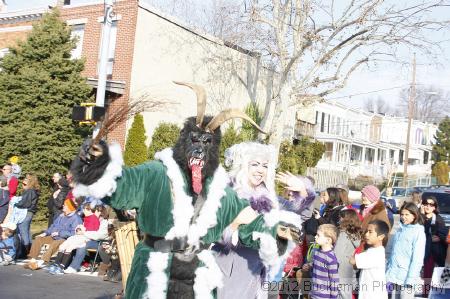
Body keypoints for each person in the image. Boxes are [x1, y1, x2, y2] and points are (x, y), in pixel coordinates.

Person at [70, 82, 298, 299]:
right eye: (195, 140)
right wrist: (97, 163)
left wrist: (279, 233)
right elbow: (120, 186)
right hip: (154, 273)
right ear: (184, 141)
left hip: (198, 278)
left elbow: (252, 223)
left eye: (207, 142)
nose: (200, 148)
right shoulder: (157, 174)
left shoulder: (221, 194)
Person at [213, 142, 315, 299]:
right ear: (242, 164)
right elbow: (211, 232)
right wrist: (235, 224)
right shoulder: (227, 193)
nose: (260, 170)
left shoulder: (270, 199)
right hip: (231, 270)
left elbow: (300, 215)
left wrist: (302, 191)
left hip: (260, 273)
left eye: (265, 166)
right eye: (255, 164)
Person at [26, 199, 82, 269]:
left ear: (69, 207)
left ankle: (41, 262)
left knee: (54, 244)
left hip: (64, 239)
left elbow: (74, 233)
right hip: (54, 236)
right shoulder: (61, 216)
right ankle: (33, 260)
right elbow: (53, 225)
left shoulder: (76, 218)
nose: (63, 206)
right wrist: (46, 233)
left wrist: (59, 233)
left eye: (65, 205)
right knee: (38, 238)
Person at [47, 203, 101, 275]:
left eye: (84, 209)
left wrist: (82, 231)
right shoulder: (86, 217)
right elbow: (81, 229)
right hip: (80, 236)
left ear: (89, 210)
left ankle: (62, 266)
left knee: (70, 247)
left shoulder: (94, 218)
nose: (83, 211)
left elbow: (93, 232)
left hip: (88, 239)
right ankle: (56, 264)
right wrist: (79, 230)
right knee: (63, 246)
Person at [386, 203, 426, 299]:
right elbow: (391, 251)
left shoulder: (418, 232)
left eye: (407, 215)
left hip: (407, 277)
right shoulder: (399, 228)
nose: (404, 217)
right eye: (402, 214)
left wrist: (410, 280)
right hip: (394, 274)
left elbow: (417, 259)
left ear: (414, 215)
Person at [349, 220, 389, 299]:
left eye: (370, 232)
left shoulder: (375, 254)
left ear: (381, 236)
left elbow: (352, 261)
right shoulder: (373, 250)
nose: (366, 234)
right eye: (366, 231)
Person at [64, 204, 110, 274]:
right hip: (91, 240)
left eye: (96, 211)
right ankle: (67, 264)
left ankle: (74, 267)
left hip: (100, 243)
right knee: (76, 243)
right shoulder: (92, 219)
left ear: (101, 212)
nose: (93, 213)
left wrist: (84, 233)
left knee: (82, 245)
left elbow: (98, 236)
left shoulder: (104, 222)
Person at [302, 224, 339, 299]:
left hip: (324, 296)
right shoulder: (317, 252)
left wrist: (333, 297)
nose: (315, 237)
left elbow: (334, 281)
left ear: (328, 240)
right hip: (314, 293)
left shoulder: (331, 259)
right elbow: (316, 263)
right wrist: (309, 265)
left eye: (318, 235)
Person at [421, 196, 448, 296]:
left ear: (434, 207)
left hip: (435, 252)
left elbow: (443, 235)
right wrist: (422, 216)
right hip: (423, 251)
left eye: (431, 205)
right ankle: (426, 294)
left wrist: (439, 237)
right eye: (426, 204)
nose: (428, 206)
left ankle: (434, 294)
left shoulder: (438, 219)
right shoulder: (419, 217)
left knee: (435, 276)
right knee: (426, 275)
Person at [334, 209, 362, 299]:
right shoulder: (355, 235)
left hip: (340, 271)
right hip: (349, 269)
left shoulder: (343, 235)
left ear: (346, 220)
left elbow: (336, 255)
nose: (339, 220)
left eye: (341, 218)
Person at [15, 174, 40, 256]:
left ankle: (24, 252)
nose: (24, 180)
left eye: (26, 179)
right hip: (29, 212)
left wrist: (15, 203)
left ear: (30, 181)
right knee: (27, 231)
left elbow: (25, 203)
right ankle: (29, 250)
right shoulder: (32, 190)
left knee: (23, 232)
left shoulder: (30, 191)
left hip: (26, 212)